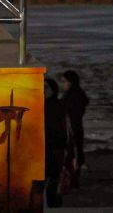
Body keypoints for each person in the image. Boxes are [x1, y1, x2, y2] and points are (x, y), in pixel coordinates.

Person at [60, 70, 89, 179]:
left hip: (71, 127)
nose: (62, 85)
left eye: (64, 82)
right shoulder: (79, 93)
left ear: (70, 82)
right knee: (75, 150)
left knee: (72, 151)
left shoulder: (72, 96)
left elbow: (67, 111)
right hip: (76, 126)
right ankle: (74, 174)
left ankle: (73, 175)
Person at [44, 77, 68, 208]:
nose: (43, 90)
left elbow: (64, 127)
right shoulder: (37, 104)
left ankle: (51, 201)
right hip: (44, 145)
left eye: (46, 87)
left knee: (53, 175)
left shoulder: (57, 105)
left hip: (55, 145)